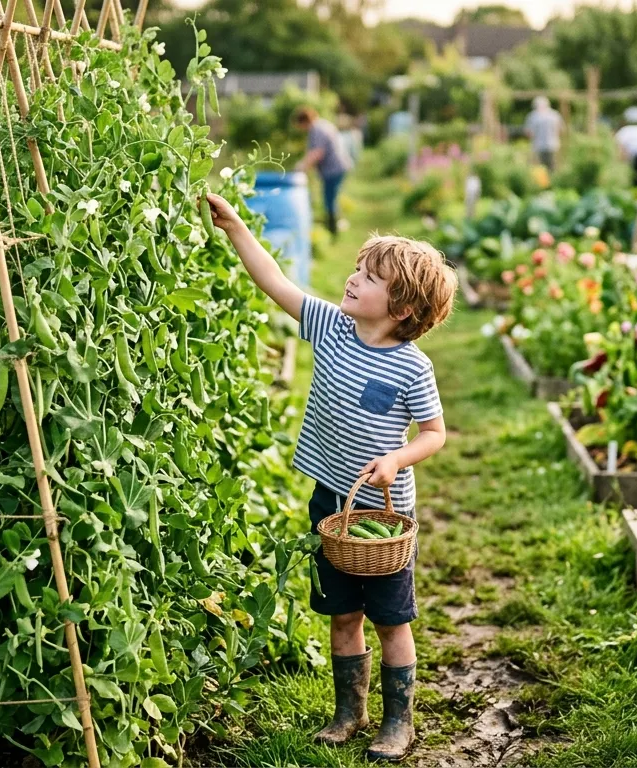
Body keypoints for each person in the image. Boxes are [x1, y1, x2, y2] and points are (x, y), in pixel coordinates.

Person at [204, 192, 455, 762]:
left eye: (369, 278)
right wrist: (237, 229)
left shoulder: (413, 366)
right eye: (358, 269)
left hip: (383, 515)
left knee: (392, 619)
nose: (352, 280)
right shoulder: (331, 328)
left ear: (402, 310)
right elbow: (275, 282)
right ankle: (349, 711)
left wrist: (396, 460)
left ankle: (398, 721)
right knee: (342, 612)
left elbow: (435, 433)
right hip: (331, 501)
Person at [293, 106, 353, 238]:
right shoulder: (322, 125)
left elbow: (317, 153)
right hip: (337, 167)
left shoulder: (318, 130)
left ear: (304, 121)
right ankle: (335, 226)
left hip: (333, 168)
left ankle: (333, 231)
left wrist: (301, 166)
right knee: (332, 198)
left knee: (329, 200)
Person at [524, 96, 562, 172]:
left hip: (538, 145)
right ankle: (553, 181)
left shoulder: (532, 116)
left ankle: (543, 182)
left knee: (540, 167)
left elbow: (528, 132)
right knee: (553, 166)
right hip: (553, 144)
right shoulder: (554, 115)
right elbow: (560, 130)